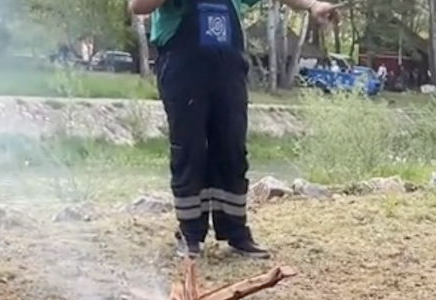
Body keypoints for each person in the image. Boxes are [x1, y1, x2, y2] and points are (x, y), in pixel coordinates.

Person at [128, 0, 340, 258]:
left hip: (228, 71)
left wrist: (312, 5)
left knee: (232, 150)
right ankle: (190, 233)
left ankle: (236, 233)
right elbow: (137, 6)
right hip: (183, 69)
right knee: (190, 151)